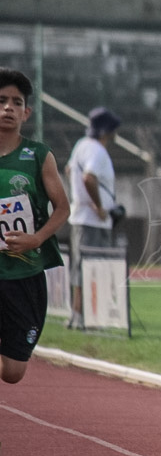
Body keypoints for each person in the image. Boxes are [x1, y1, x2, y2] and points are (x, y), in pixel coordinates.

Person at [0, 67, 71, 384]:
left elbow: (63, 208)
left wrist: (36, 239)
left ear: (26, 112)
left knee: (14, 373)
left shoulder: (38, 155)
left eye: (16, 102)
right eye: (1, 100)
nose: (8, 108)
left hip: (24, 273)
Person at [64, 106, 122, 329]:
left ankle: (81, 315)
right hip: (91, 220)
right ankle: (83, 316)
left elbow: (71, 170)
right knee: (91, 267)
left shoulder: (81, 145)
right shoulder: (97, 150)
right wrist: (98, 206)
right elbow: (89, 177)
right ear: (106, 130)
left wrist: (77, 195)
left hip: (83, 216)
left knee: (84, 266)